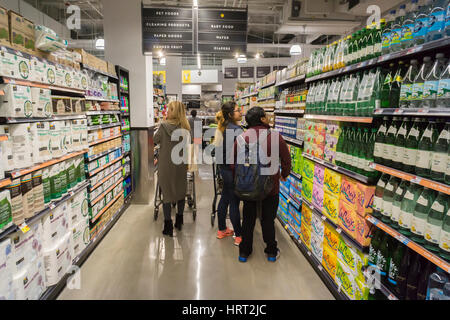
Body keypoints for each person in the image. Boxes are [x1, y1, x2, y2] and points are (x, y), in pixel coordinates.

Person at [232, 107, 291, 262]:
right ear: (263, 119)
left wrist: (242, 179)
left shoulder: (241, 138)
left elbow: (233, 164)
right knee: (267, 220)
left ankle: (244, 252)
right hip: (270, 187)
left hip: (248, 186)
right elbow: (286, 160)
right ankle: (271, 252)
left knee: (248, 219)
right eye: (266, 116)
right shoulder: (275, 137)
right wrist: (284, 175)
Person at [154, 101, 191, 237]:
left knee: (167, 194)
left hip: (166, 165)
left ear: (173, 111)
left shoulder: (163, 126)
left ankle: (168, 225)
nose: (166, 112)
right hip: (180, 164)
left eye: (169, 109)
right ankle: (179, 221)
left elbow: (155, 139)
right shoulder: (185, 127)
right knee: (180, 191)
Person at [214, 102, 244, 245]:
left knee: (225, 198)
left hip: (224, 169)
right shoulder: (236, 130)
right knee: (234, 201)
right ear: (231, 115)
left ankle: (221, 230)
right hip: (233, 170)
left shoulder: (221, 128)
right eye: (238, 111)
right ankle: (238, 235)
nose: (241, 112)